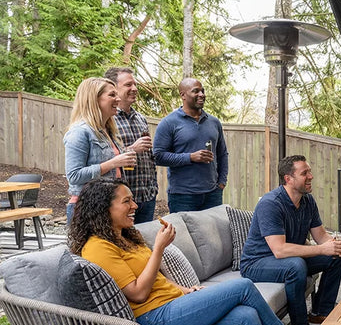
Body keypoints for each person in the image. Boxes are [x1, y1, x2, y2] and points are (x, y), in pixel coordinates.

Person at [68, 178, 323, 325]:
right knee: (243, 286)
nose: (135, 206)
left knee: (246, 315)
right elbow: (138, 293)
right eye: (127, 201)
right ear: (104, 208)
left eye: (133, 200)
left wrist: (184, 290)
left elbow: (156, 279)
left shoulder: (125, 236)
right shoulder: (98, 247)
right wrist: (159, 248)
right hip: (154, 318)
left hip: (172, 304)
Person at [239, 155, 341, 325]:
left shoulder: (307, 201)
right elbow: (280, 250)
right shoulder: (271, 204)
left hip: (287, 258)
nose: (311, 176)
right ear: (288, 179)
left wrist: (335, 244)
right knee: (295, 266)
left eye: (309, 172)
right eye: (304, 173)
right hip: (257, 263)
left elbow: (320, 236)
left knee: (336, 257)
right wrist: (322, 249)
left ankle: (321, 312)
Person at [64, 77, 137, 225]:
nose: (118, 99)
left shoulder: (108, 131)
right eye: (112, 95)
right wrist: (113, 163)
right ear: (94, 99)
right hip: (87, 208)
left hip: (109, 206)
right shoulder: (80, 132)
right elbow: (74, 176)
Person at [153, 78, 229, 212]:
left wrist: (222, 182)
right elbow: (158, 156)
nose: (201, 94)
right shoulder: (169, 123)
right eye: (196, 91)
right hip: (182, 197)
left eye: (202, 91)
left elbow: (222, 154)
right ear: (183, 95)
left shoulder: (214, 122)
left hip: (212, 195)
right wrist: (190, 157)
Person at [105, 67, 158, 223]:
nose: (134, 88)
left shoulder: (140, 118)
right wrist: (132, 149)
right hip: (122, 199)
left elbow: (149, 157)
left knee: (144, 238)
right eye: (128, 85)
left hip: (147, 197)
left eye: (135, 84)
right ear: (114, 88)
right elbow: (104, 158)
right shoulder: (108, 119)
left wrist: (153, 188)